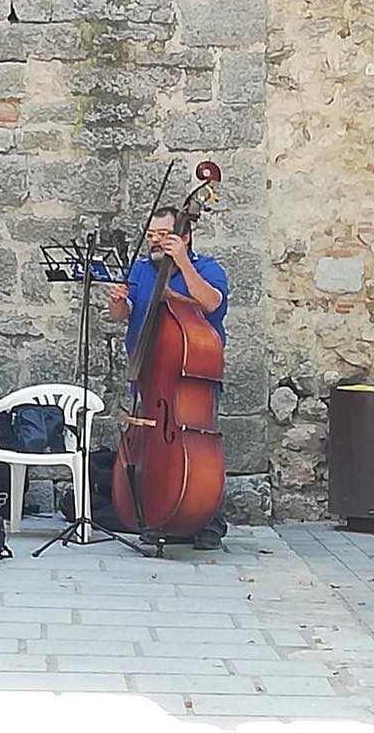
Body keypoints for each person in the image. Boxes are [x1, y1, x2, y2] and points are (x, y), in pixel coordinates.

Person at [107, 205, 230, 551]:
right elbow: (123, 314)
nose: (156, 242)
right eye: (151, 236)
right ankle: (156, 513)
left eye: (164, 236)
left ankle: (209, 521)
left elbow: (211, 302)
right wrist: (117, 303)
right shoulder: (141, 269)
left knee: (200, 448)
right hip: (149, 374)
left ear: (184, 237)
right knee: (152, 447)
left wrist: (183, 265)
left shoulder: (206, 268)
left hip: (190, 375)